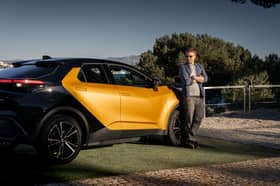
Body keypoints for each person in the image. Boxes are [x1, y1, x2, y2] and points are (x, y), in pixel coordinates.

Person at [178, 48, 208, 149]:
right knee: (189, 119)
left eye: (190, 56)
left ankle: (190, 138)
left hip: (199, 95)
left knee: (198, 118)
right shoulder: (182, 67)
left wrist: (194, 77)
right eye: (186, 56)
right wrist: (198, 78)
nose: (188, 58)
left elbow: (206, 79)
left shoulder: (199, 66)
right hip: (189, 96)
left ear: (195, 57)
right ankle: (188, 141)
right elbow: (186, 81)